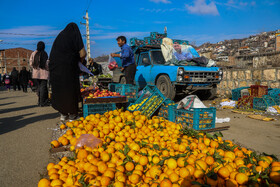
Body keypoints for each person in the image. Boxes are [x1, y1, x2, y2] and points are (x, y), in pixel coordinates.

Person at [49, 22, 86, 121]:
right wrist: (80, 62)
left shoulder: (60, 36)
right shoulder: (74, 35)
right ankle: (73, 114)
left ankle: (63, 114)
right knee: (71, 89)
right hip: (68, 68)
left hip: (55, 68)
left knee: (60, 90)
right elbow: (82, 53)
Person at [29, 41, 50, 106]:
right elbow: (47, 64)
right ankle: (43, 102)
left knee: (39, 88)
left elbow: (31, 63)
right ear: (44, 46)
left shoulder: (33, 53)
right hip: (44, 74)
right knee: (43, 88)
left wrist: (35, 68)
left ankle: (40, 101)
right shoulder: (44, 53)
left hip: (36, 74)